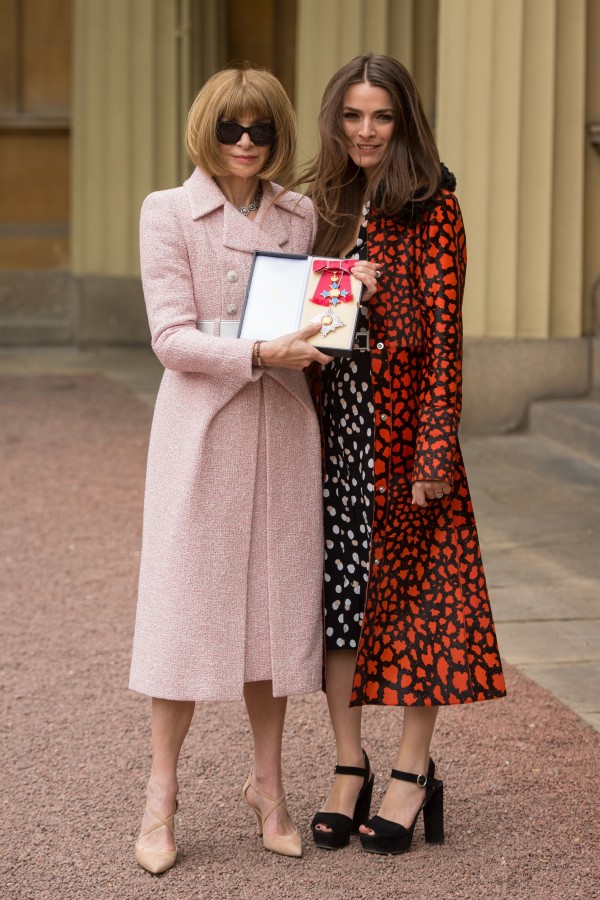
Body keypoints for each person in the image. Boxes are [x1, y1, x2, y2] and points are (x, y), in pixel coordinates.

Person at [129, 66, 337, 873]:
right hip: (203, 431)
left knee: (277, 613)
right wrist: (257, 350)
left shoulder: (300, 213)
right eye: (230, 129)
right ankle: (160, 794)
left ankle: (269, 788)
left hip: (283, 429)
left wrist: (344, 299)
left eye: (260, 131)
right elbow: (171, 339)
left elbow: (305, 317)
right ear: (206, 130)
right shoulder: (168, 211)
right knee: (184, 610)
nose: (246, 144)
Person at [301, 53, 507, 855]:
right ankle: (348, 764)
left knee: (424, 605)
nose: (364, 131)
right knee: (340, 606)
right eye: (352, 116)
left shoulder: (434, 207)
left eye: (379, 116)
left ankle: (413, 772)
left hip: (403, 439)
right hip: (333, 432)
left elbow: (444, 341)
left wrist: (432, 455)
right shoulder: (323, 202)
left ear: (404, 121)